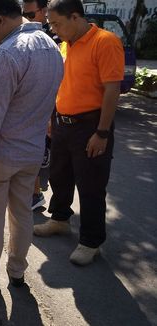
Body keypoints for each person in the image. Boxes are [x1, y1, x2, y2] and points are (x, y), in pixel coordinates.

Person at [0, 0, 63, 286]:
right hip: (32, 151)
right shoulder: (51, 47)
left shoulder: (7, 53)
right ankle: (17, 271)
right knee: (22, 214)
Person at [33, 0, 124, 266]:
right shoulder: (65, 45)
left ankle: (91, 241)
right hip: (63, 124)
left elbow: (111, 90)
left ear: (75, 17)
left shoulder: (104, 42)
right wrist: (53, 118)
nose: (54, 29)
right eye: (51, 24)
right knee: (60, 176)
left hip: (91, 125)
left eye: (57, 23)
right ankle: (60, 219)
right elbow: (61, 85)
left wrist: (102, 132)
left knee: (91, 185)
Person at [22, 0, 59, 210]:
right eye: (23, 14)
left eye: (30, 14)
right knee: (36, 154)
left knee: (51, 160)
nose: (27, 18)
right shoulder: (24, 37)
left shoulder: (54, 39)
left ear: (44, 11)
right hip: (36, 108)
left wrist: (52, 115)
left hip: (53, 108)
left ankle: (50, 204)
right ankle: (36, 194)